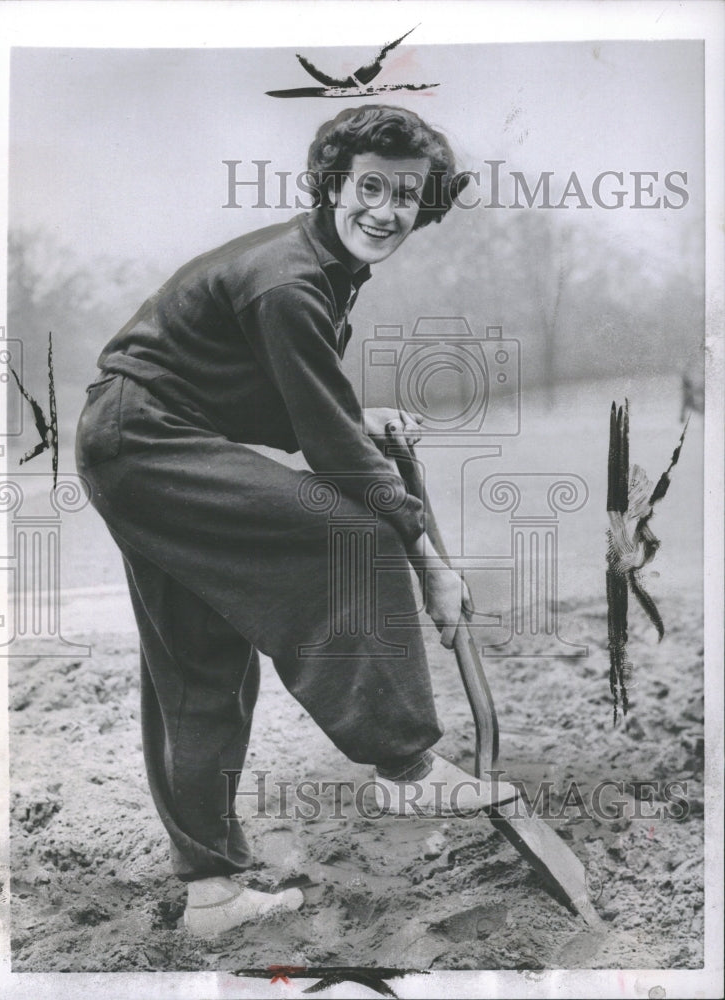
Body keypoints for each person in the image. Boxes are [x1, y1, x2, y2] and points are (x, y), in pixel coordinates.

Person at [75, 105, 517, 938]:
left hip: (132, 443)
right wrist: (431, 561)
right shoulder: (291, 280)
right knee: (355, 537)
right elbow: (334, 453)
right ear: (333, 184)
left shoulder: (315, 267)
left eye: (406, 196)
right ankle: (406, 763)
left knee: (201, 665)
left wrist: (357, 415)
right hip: (151, 445)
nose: (386, 211)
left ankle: (211, 895)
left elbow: (269, 391)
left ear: (426, 206)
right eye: (369, 187)